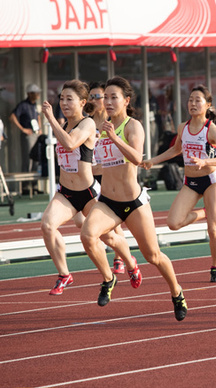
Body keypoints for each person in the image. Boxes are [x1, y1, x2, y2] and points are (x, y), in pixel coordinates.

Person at [79, 75, 187, 321]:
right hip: (108, 202)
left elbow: (137, 159)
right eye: (105, 97)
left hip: (134, 202)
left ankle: (176, 292)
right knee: (87, 234)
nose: (107, 101)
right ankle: (109, 277)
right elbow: (102, 166)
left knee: (153, 256)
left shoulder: (132, 126)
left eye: (113, 97)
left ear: (126, 100)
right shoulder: (99, 127)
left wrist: (114, 138)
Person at [40, 80, 141, 296]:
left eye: (69, 99)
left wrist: (50, 119)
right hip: (65, 192)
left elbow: (69, 144)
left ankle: (131, 263)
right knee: (47, 225)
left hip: (88, 193)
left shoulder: (86, 125)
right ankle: (64, 274)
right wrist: (55, 122)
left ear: (82, 102)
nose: (64, 103)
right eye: (61, 99)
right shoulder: (63, 124)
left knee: (110, 237)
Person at [142, 85, 216, 283]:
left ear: (208, 105)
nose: (192, 103)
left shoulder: (212, 130)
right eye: (190, 100)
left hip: (210, 182)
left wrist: (206, 162)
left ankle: (215, 267)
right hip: (190, 182)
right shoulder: (183, 127)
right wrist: (152, 161)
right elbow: (175, 150)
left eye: (197, 100)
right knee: (173, 223)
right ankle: (206, 213)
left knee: (213, 229)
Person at [88, 81, 137, 275]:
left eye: (99, 96)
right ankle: (120, 257)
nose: (97, 101)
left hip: (113, 178)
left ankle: (119, 258)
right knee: (85, 223)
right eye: (92, 97)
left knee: (115, 223)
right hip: (91, 178)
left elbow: (133, 155)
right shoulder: (87, 122)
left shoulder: (115, 122)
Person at [9, 83, 42, 172]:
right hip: (28, 135)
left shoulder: (34, 105)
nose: (38, 95)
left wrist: (40, 128)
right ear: (30, 93)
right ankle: (26, 184)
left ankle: (34, 184)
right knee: (28, 158)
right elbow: (12, 116)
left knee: (36, 157)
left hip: (36, 134)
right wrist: (23, 129)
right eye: (36, 93)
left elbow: (38, 116)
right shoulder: (23, 105)